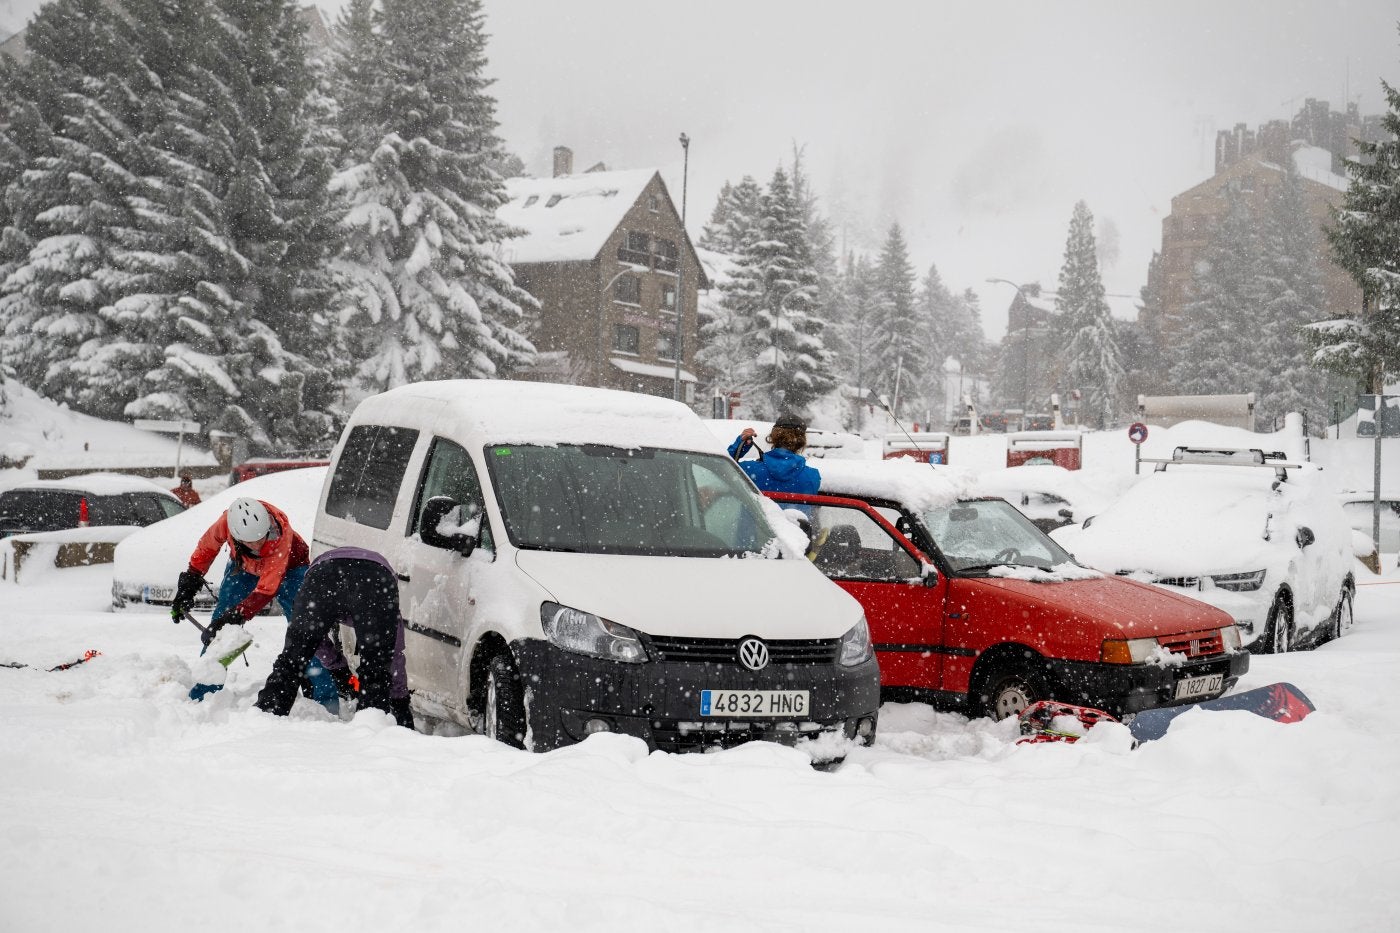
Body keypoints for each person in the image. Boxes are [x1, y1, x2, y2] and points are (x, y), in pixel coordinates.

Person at [254, 547, 413, 729]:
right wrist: (400, 702)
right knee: (376, 668)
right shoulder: (381, 596)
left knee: (292, 658)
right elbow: (394, 654)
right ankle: (371, 731)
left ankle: (264, 720)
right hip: (374, 579)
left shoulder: (322, 591)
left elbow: (312, 638)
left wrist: (337, 667)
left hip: (322, 575)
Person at [171, 497, 309, 650]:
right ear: (236, 536)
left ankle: (313, 669)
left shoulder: (281, 537)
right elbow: (206, 550)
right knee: (222, 616)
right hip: (243, 566)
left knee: (303, 621)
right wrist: (189, 585)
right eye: (250, 542)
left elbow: (266, 590)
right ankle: (210, 668)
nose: (257, 545)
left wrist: (237, 615)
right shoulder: (226, 523)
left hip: (291, 568)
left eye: (261, 538)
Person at [727, 414, 821, 495]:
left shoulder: (748, 470)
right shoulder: (812, 476)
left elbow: (720, 470)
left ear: (773, 438)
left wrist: (739, 445)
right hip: (796, 516)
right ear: (802, 441)